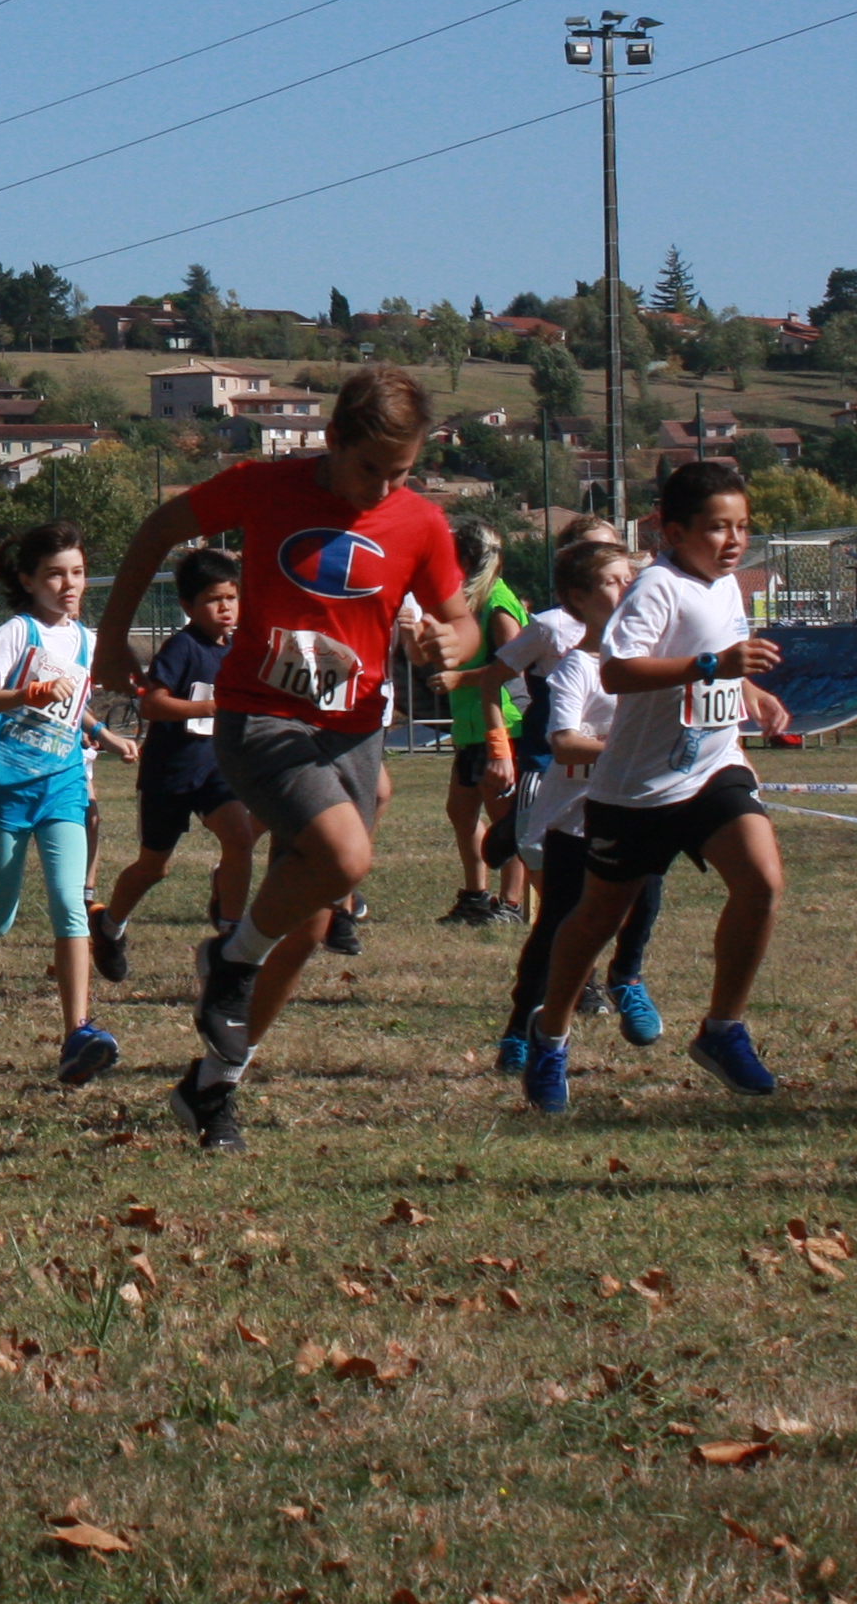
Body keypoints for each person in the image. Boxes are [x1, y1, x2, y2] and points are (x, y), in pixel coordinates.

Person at [91, 368, 476, 1156]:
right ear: (332, 440)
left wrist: (451, 643)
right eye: (370, 468)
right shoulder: (265, 487)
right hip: (260, 718)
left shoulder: (421, 523)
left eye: (401, 474)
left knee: (307, 925)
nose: (382, 489)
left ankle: (213, 1088)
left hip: (354, 731)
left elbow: (462, 621)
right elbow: (159, 531)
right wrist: (109, 636)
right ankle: (229, 956)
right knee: (345, 855)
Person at [517, 459, 787, 1115]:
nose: (733, 541)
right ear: (670, 531)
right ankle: (549, 1034)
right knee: (597, 920)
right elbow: (616, 672)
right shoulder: (657, 588)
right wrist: (713, 665)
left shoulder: (725, 587)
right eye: (717, 528)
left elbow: (726, 653)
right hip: (637, 791)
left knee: (762, 882)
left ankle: (723, 1030)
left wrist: (749, 688)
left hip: (713, 770)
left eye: (742, 527)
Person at [0, 521, 131, 1085]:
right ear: (29, 579)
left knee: (71, 902)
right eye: (55, 575)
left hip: (64, 781)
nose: (69, 585)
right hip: (9, 786)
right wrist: (27, 693)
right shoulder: (16, 634)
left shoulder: (85, 638)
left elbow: (72, 706)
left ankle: (78, 1034)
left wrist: (104, 732)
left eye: (77, 573)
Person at [472, 538, 665, 1073]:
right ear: (577, 598)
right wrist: (499, 749)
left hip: (637, 807)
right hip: (574, 814)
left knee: (645, 898)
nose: (628, 588)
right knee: (559, 920)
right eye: (613, 580)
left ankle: (626, 978)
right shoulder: (575, 663)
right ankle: (518, 1030)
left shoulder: (655, 658)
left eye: (632, 577)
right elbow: (564, 742)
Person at [92, 549, 253, 977]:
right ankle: (109, 926)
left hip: (217, 770)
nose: (225, 608)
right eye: (214, 600)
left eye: (232, 598)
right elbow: (154, 706)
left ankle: (232, 939)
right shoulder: (183, 647)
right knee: (154, 867)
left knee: (239, 837)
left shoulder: (239, 648)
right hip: (169, 774)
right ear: (188, 606)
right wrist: (210, 709)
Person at [437, 520, 532, 927]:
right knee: (460, 811)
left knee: (504, 819)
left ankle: (510, 905)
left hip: (502, 725)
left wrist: (462, 678)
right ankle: (475, 897)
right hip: (469, 725)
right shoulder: (469, 601)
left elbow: (513, 665)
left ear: (467, 558)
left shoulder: (497, 601)